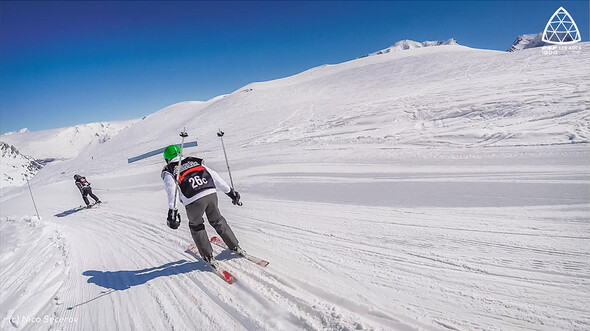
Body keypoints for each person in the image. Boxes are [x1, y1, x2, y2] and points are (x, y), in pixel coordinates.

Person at [161, 145, 242, 267]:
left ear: (167, 159)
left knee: (196, 226)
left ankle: (208, 255)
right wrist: (230, 192)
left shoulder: (170, 169)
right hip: (211, 194)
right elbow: (215, 176)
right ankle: (235, 245)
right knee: (217, 219)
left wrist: (173, 211)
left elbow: (172, 190)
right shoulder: (194, 161)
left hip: (193, 200)